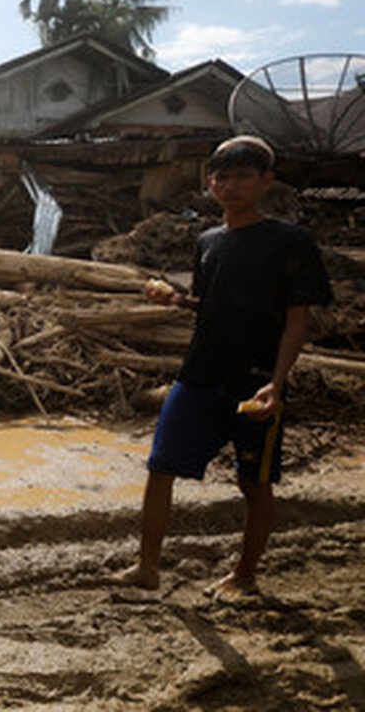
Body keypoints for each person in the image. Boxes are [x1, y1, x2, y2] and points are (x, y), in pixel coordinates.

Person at [114, 135, 332, 599]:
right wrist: (176, 299)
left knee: (253, 483)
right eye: (222, 177)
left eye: (243, 177)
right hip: (198, 374)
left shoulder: (290, 242)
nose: (231, 186)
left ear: (265, 181)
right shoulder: (209, 241)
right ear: (210, 183)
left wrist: (277, 383)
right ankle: (147, 567)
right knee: (160, 468)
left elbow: (299, 318)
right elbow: (211, 305)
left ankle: (245, 576)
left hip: (254, 382)